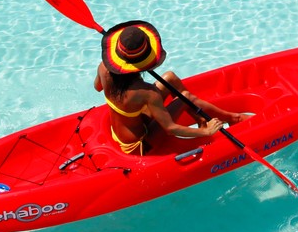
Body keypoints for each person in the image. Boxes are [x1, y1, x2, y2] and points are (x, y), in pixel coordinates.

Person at [95, 20, 250, 156]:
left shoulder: (103, 68)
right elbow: (170, 128)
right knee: (185, 97)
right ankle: (233, 118)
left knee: (169, 77)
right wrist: (205, 132)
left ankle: (200, 118)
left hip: (124, 129)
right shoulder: (147, 93)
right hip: (140, 145)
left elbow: (98, 87)